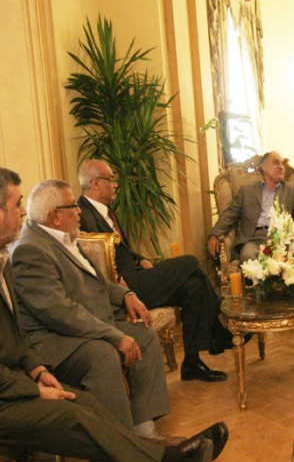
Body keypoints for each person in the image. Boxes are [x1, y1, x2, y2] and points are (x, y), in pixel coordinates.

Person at [0, 166, 228, 462]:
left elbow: (14, 334)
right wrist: (35, 390)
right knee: (71, 415)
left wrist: (37, 370)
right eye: (17, 204)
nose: (24, 212)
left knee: (84, 402)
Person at [11, 178, 171, 441]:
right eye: (73, 206)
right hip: (57, 340)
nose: (79, 211)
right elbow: (59, 312)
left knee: (144, 335)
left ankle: (144, 428)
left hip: (86, 326)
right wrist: (114, 335)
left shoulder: (65, 237)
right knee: (103, 356)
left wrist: (126, 295)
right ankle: (122, 443)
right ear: (55, 216)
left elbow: (100, 281)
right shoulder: (30, 250)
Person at [78, 159, 232, 383]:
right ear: (95, 183)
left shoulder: (106, 210)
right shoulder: (83, 215)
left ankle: (192, 363)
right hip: (124, 289)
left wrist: (140, 259)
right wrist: (117, 280)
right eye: (110, 179)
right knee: (190, 262)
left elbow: (122, 250)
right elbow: (90, 259)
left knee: (194, 286)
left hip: (135, 274)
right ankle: (220, 325)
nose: (115, 185)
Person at [207, 151, 294, 262]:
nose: (281, 167)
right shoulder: (247, 191)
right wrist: (214, 234)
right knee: (248, 257)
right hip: (254, 239)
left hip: (281, 239)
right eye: (276, 163)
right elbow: (229, 214)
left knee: (286, 260)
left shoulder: (290, 189)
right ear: (264, 166)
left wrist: (291, 229)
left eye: (282, 164)